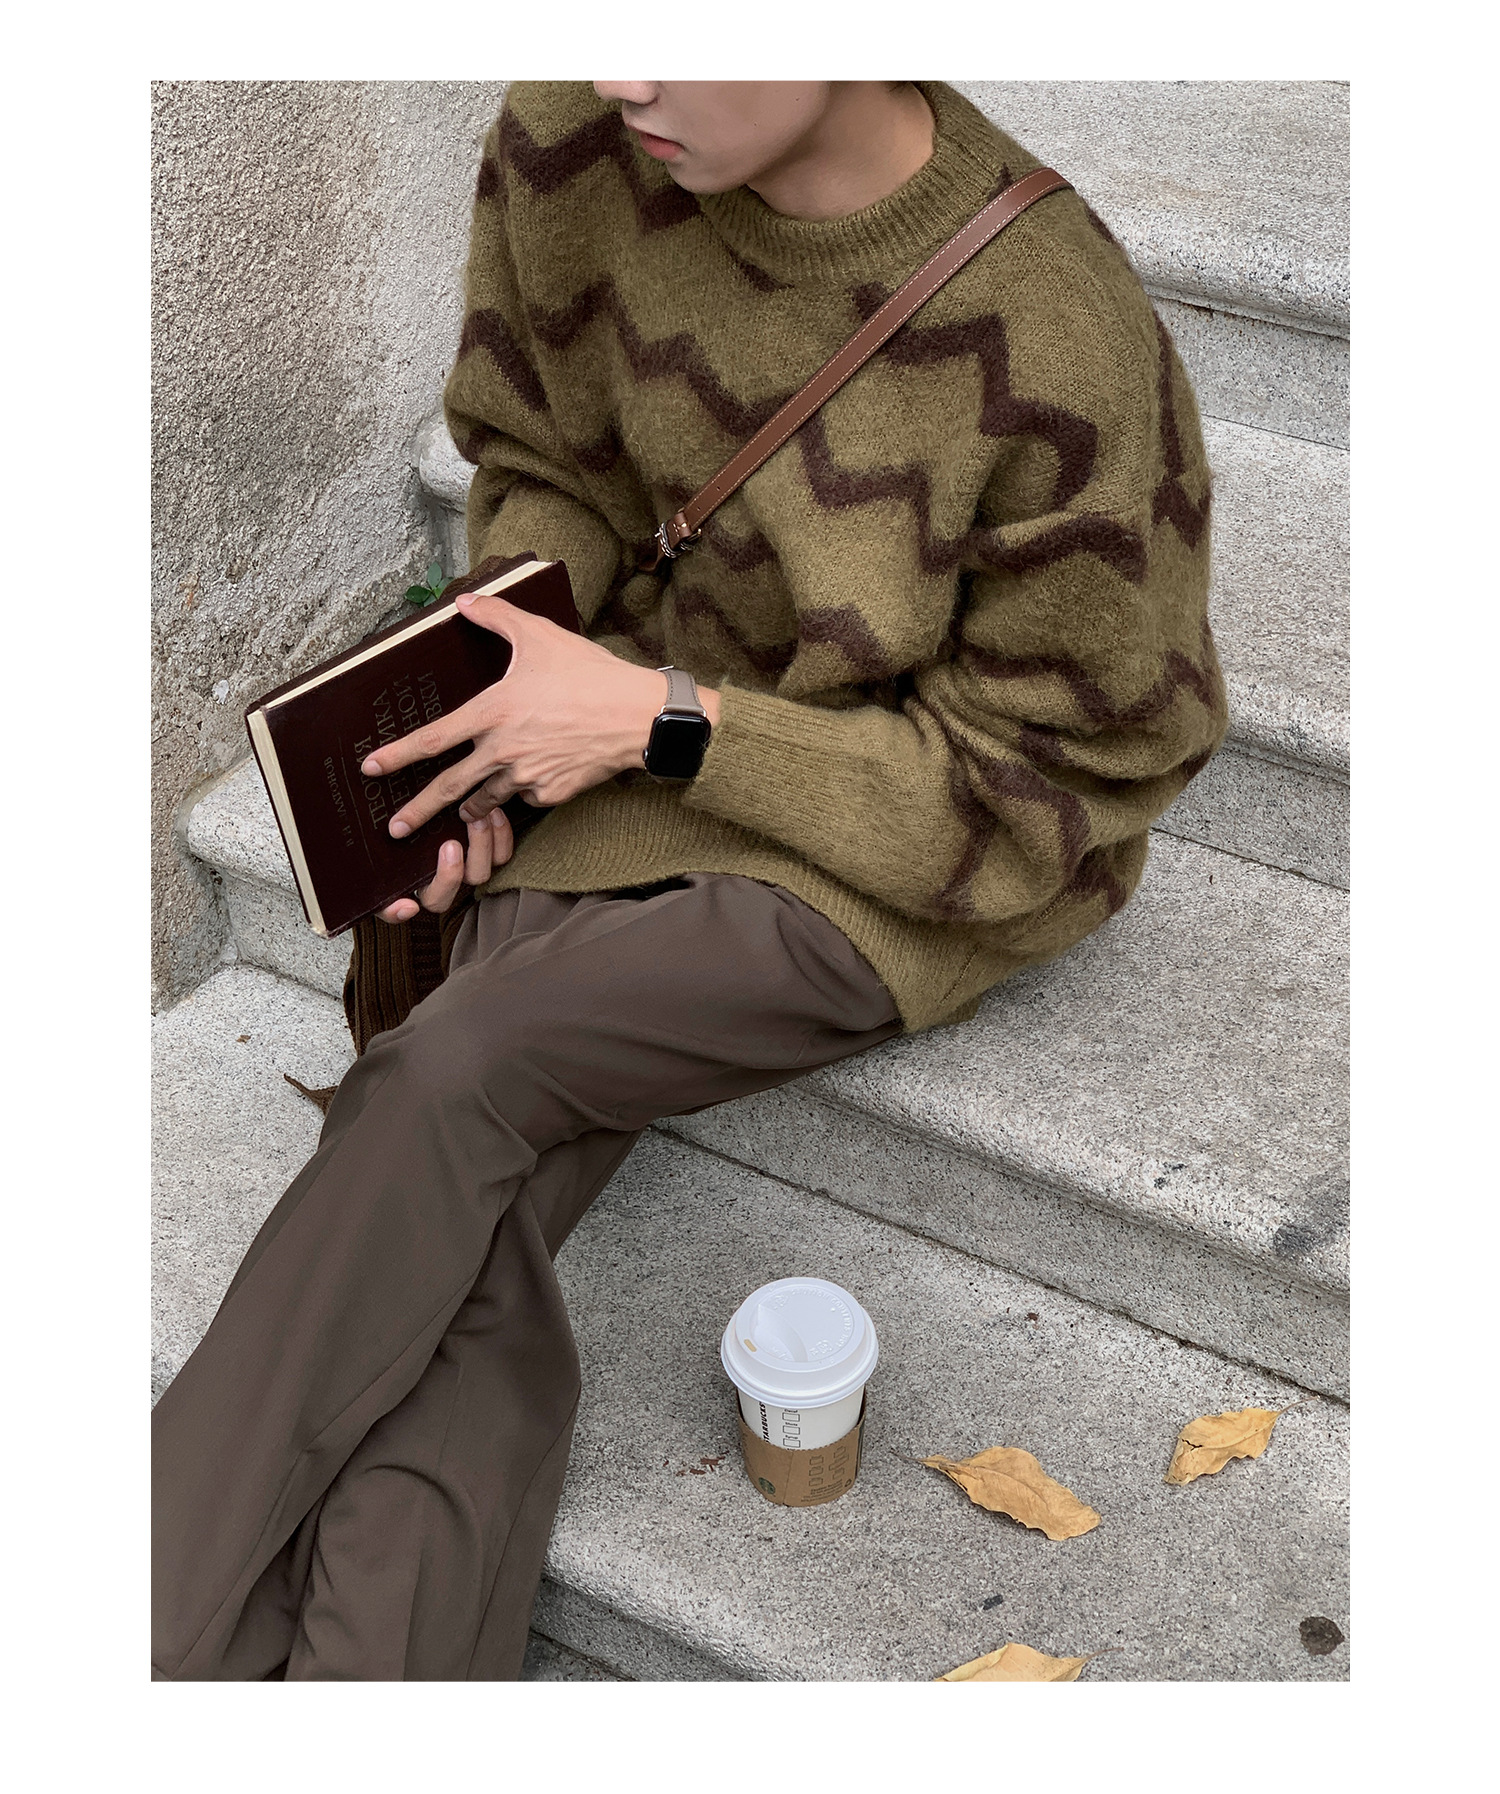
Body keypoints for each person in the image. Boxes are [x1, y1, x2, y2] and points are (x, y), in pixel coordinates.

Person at [152, 79, 1226, 1681]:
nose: (625, 72)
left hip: (893, 854)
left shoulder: (1056, 333)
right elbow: (545, 461)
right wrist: (506, 685)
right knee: (468, 1214)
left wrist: (659, 722)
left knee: (452, 1066)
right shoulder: (571, 144)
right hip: (622, 749)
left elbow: (1050, 791)